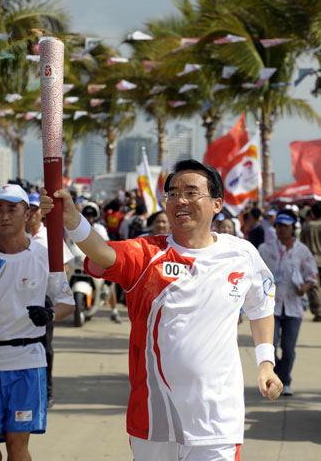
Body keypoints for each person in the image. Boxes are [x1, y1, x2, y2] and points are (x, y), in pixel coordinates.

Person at [40, 159, 282, 461]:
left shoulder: (242, 255)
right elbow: (102, 253)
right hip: (154, 417)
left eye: (191, 192)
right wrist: (72, 219)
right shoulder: (146, 253)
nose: (180, 200)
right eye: (173, 193)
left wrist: (266, 363)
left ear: (217, 204)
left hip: (218, 419)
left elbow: (261, 308)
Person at [0, 184, 75, 461]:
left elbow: (67, 303)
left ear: (27, 214)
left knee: (17, 449)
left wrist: (50, 314)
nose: (4, 215)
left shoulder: (45, 255)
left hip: (27, 363)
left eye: (12, 209)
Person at [259, 209, 318, 396]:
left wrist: (305, 287)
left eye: (286, 226)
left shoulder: (302, 251)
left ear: (293, 228)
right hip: (271, 307)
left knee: (289, 348)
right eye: (279, 226)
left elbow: (312, 275)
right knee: (272, 344)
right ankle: (276, 375)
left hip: (293, 306)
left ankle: (285, 380)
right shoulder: (265, 249)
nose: (282, 229)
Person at [25, 191, 75, 408]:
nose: (32, 213)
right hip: (18, 297)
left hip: (44, 299)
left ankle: (47, 390)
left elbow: (63, 269)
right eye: (29, 209)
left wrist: (56, 300)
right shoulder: (15, 237)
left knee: (44, 347)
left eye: (36, 209)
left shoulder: (51, 236)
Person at [81, 202, 121, 323]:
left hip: (98, 261)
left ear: (95, 216)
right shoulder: (78, 227)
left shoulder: (99, 229)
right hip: (81, 260)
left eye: (91, 215)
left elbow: (107, 244)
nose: (89, 218)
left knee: (109, 284)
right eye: (87, 215)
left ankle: (114, 311)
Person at [300, 201, 321, 321]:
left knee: (315, 287)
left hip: (312, 259)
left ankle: (318, 311)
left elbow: (302, 242)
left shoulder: (306, 226)